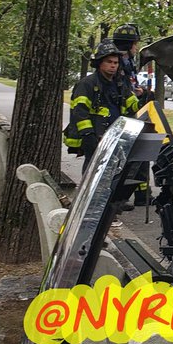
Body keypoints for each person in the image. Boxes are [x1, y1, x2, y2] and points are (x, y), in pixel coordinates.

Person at [64, 41, 141, 173]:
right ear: (100, 63)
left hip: (114, 136)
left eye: (115, 63)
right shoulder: (87, 84)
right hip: (95, 137)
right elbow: (80, 112)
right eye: (109, 62)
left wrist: (143, 99)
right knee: (92, 174)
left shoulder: (120, 84)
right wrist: (88, 136)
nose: (113, 66)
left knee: (111, 175)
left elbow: (132, 106)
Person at [111, 23, 153, 207]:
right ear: (129, 45)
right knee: (127, 158)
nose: (136, 48)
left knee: (140, 155)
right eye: (135, 44)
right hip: (123, 119)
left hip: (130, 116)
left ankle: (142, 196)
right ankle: (119, 197)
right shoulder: (118, 65)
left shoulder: (127, 64)